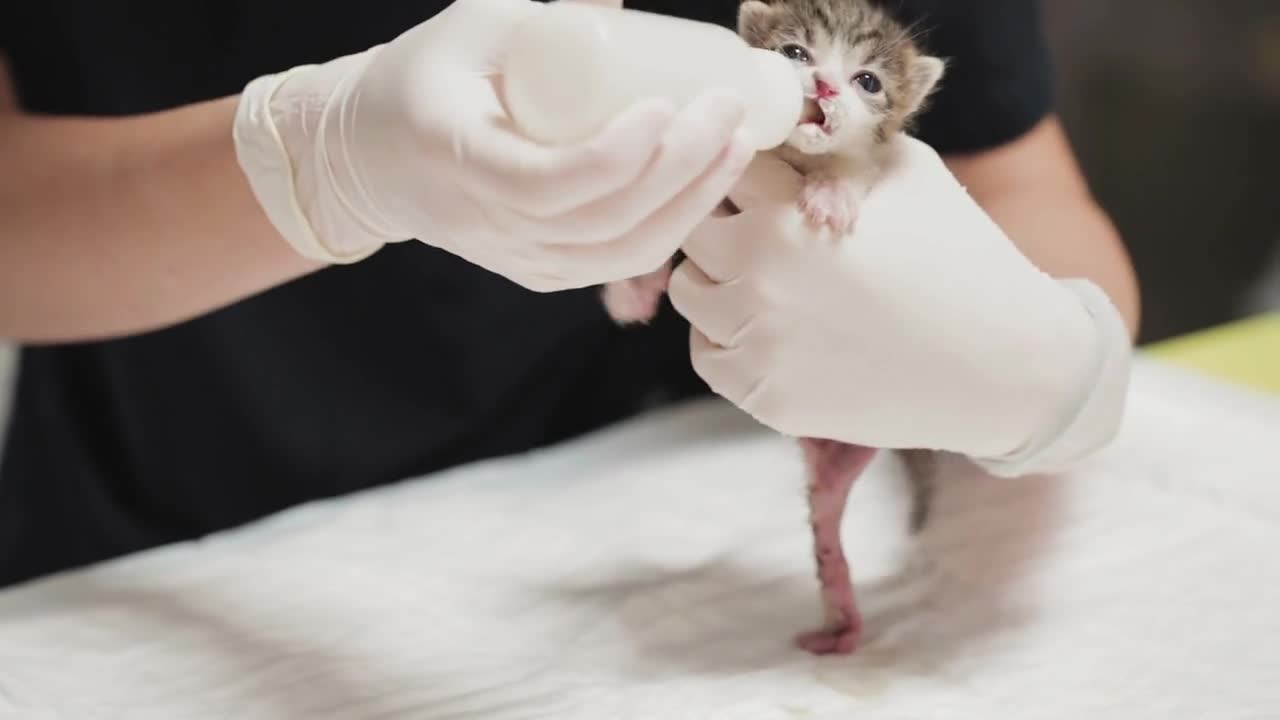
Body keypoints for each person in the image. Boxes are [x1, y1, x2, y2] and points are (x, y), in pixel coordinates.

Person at [0, 0, 1138, 589]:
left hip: (644, 549)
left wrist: (1041, 359)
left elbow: (1020, 179)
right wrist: (318, 161)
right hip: (161, 545)